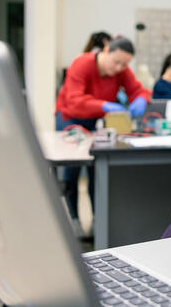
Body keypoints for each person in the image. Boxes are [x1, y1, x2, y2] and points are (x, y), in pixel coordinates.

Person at [55, 36, 152, 235]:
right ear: (106, 50)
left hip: (95, 119)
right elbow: (74, 100)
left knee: (96, 168)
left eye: (124, 64)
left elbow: (138, 90)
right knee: (72, 169)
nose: (119, 68)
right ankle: (74, 221)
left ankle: (98, 220)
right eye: (116, 62)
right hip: (70, 118)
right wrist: (103, 105)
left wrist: (141, 99)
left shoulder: (122, 70)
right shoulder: (81, 64)